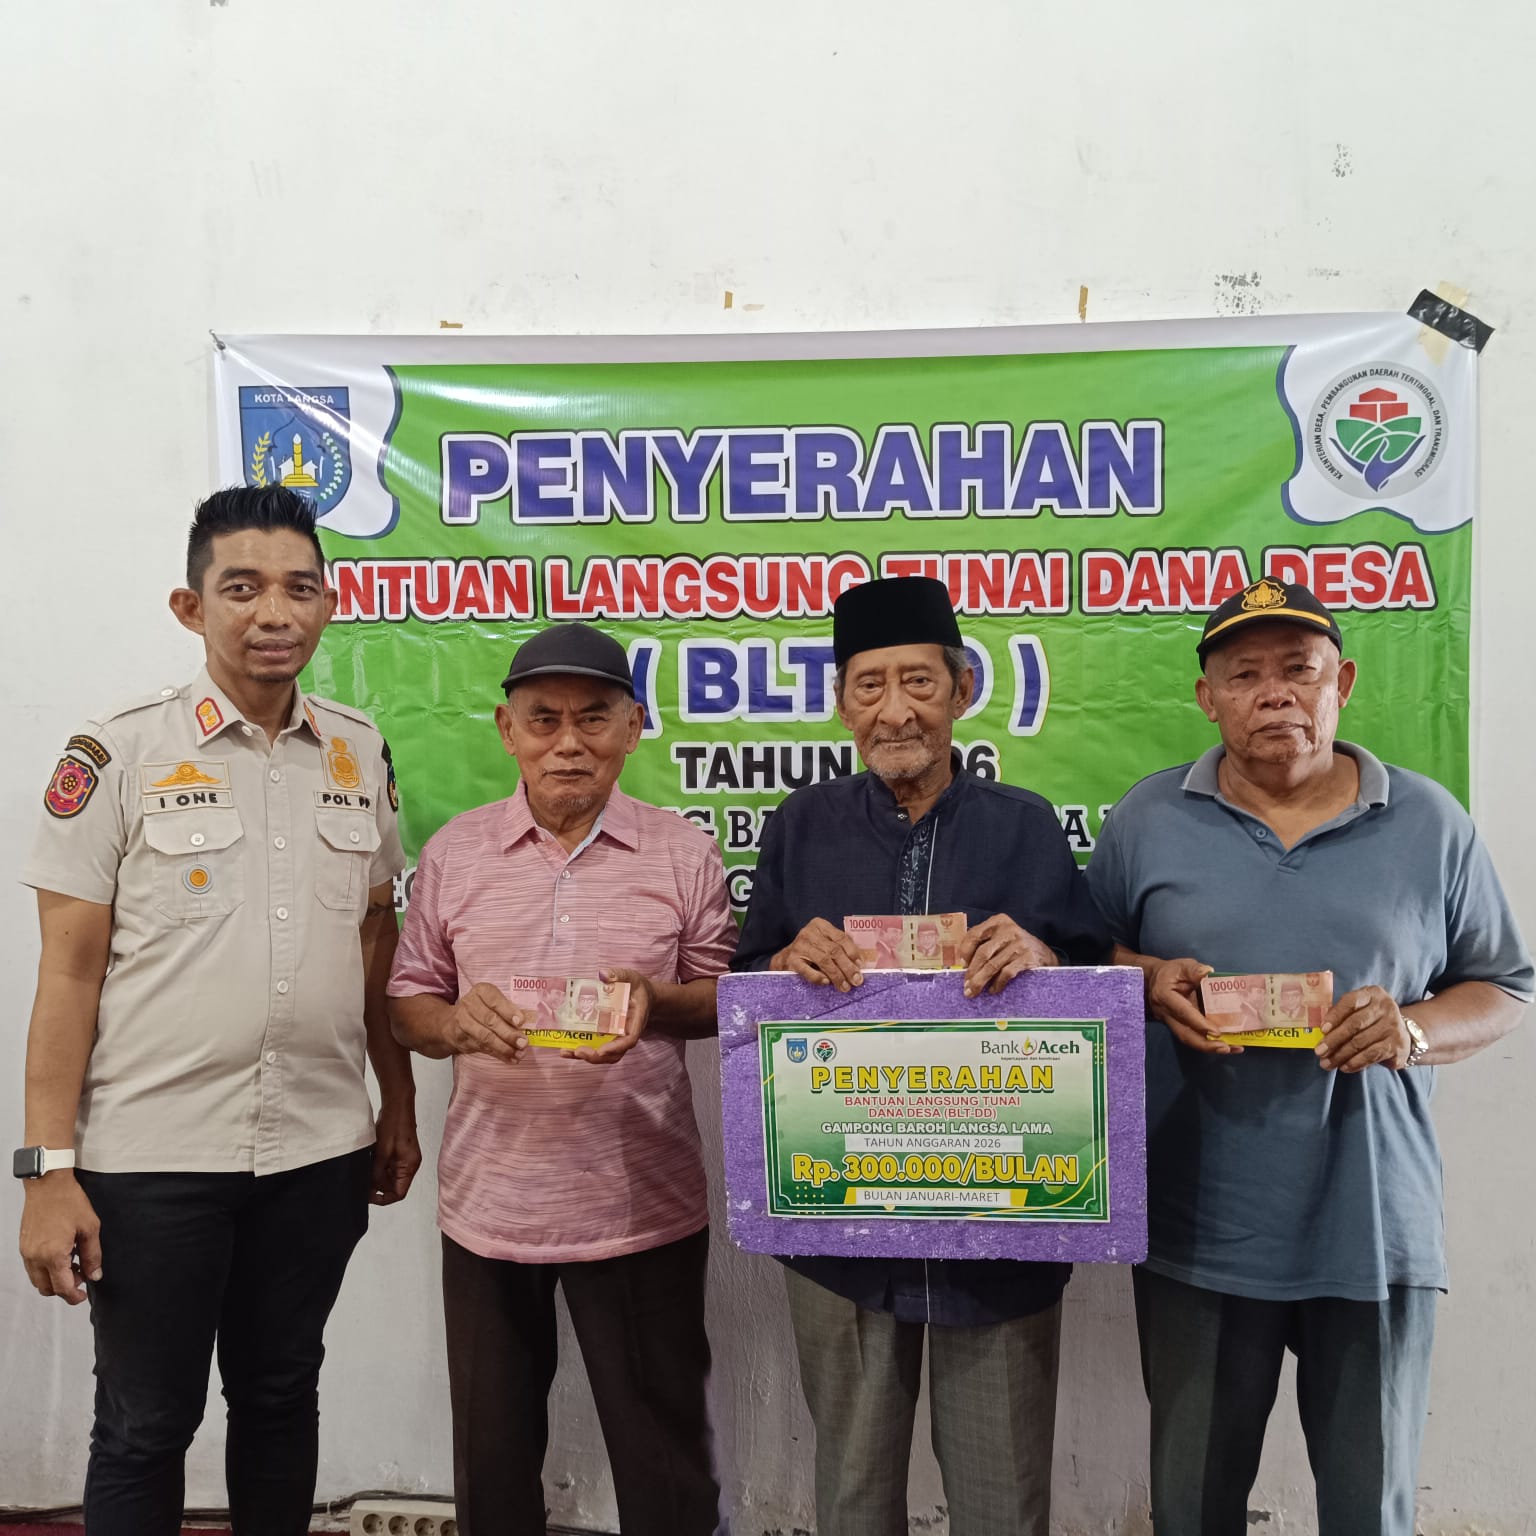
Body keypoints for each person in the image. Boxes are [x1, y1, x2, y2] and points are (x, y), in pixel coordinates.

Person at [1086, 577, 1531, 1536]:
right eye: (1245, 675)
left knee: (1370, 1512)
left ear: (1344, 683)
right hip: (1199, 1226)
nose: (1275, 692)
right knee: (1191, 1509)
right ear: (1208, 699)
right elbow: (1080, 961)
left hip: (1373, 1227)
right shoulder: (1148, 819)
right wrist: (1145, 979)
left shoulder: (1429, 822)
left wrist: (1412, 1031)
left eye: (1300, 669)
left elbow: (1505, 987)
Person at [16, 485, 420, 1536]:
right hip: (154, 1157)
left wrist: (398, 1103)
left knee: (281, 1398)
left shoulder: (359, 752)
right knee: (145, 1425)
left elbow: (374, 941)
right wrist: (46, 1170)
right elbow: (67, 975)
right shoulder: (118, 753)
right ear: (191, 608)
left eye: (299, 588)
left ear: (329, 604)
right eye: (241, 589)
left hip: (318, 1149)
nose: (273, 612)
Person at [733, 575, 1111, 1536]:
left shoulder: (1024, 826)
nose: (895, 709)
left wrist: (1043, 958)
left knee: (1002, 1498)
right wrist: (783, 963)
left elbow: (1097, 994)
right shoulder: (802, 826)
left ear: (962, 690)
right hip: (841, 1224)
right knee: (852, 1495)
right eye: (869, 685)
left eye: (919, 682)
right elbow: (742, 989)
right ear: (841, 704)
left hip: (1000, 1225)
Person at [387, 622, 738, 1536]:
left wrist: (655, 1002)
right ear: (508, 731)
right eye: (544, 719)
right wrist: (453, 1023)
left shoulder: (682, 852)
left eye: (594, 718)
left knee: (667, 1462)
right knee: (492, 1460)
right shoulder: (455, 853)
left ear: (634, 727)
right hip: (490, 1207)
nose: (569, 742)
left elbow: (726, 999)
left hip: (643, 1202)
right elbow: (408, 1003)